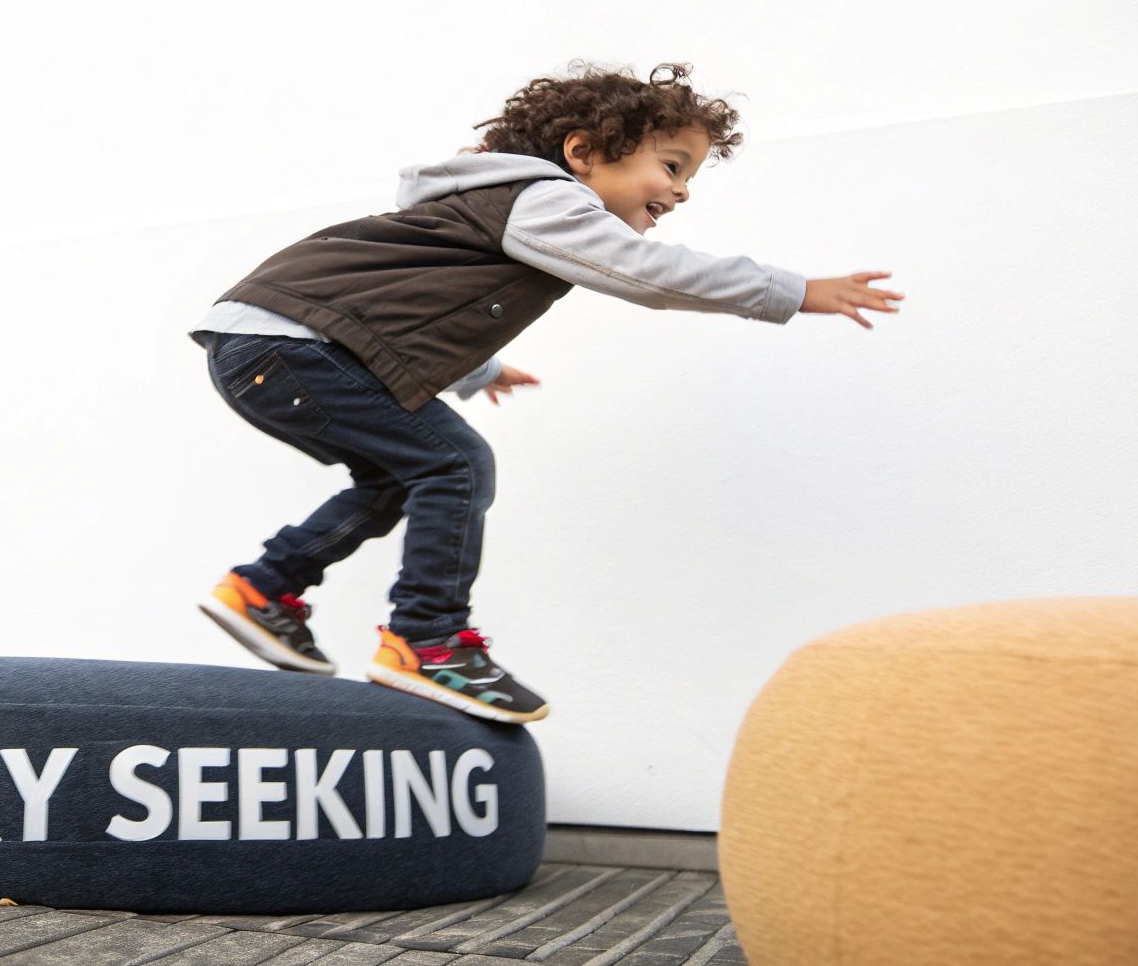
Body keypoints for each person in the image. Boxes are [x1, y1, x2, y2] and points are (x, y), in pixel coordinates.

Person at [190, 61, 902, 724]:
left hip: (272, 346)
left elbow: (407, 307)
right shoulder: (542, 197)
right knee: (456, 464)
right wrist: (791, 290)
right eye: (672, 166)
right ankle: (427, 639)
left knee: (400, 475)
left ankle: (264, 587)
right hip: (292, 347)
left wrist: (478, 371)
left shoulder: (492, 206)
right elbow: (644, 275)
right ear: (584, 152)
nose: (682, 191)